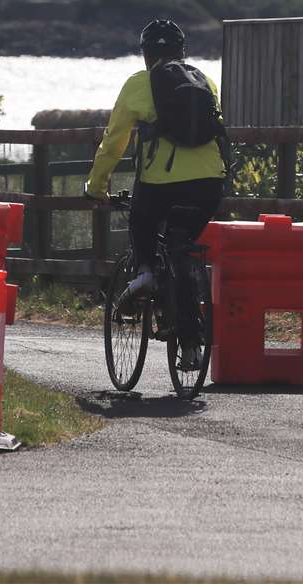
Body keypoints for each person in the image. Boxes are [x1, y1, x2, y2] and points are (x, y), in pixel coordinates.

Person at [85, 19, 227, 370]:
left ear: (146, 55)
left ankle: (146, 270)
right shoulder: (204, 81)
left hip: (160, 184)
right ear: (182, 52)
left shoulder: (138, 84)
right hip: (209, 183)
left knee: (142, 218)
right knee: (181, 244)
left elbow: (114, 141)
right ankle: (192, 346)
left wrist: (97, 186)